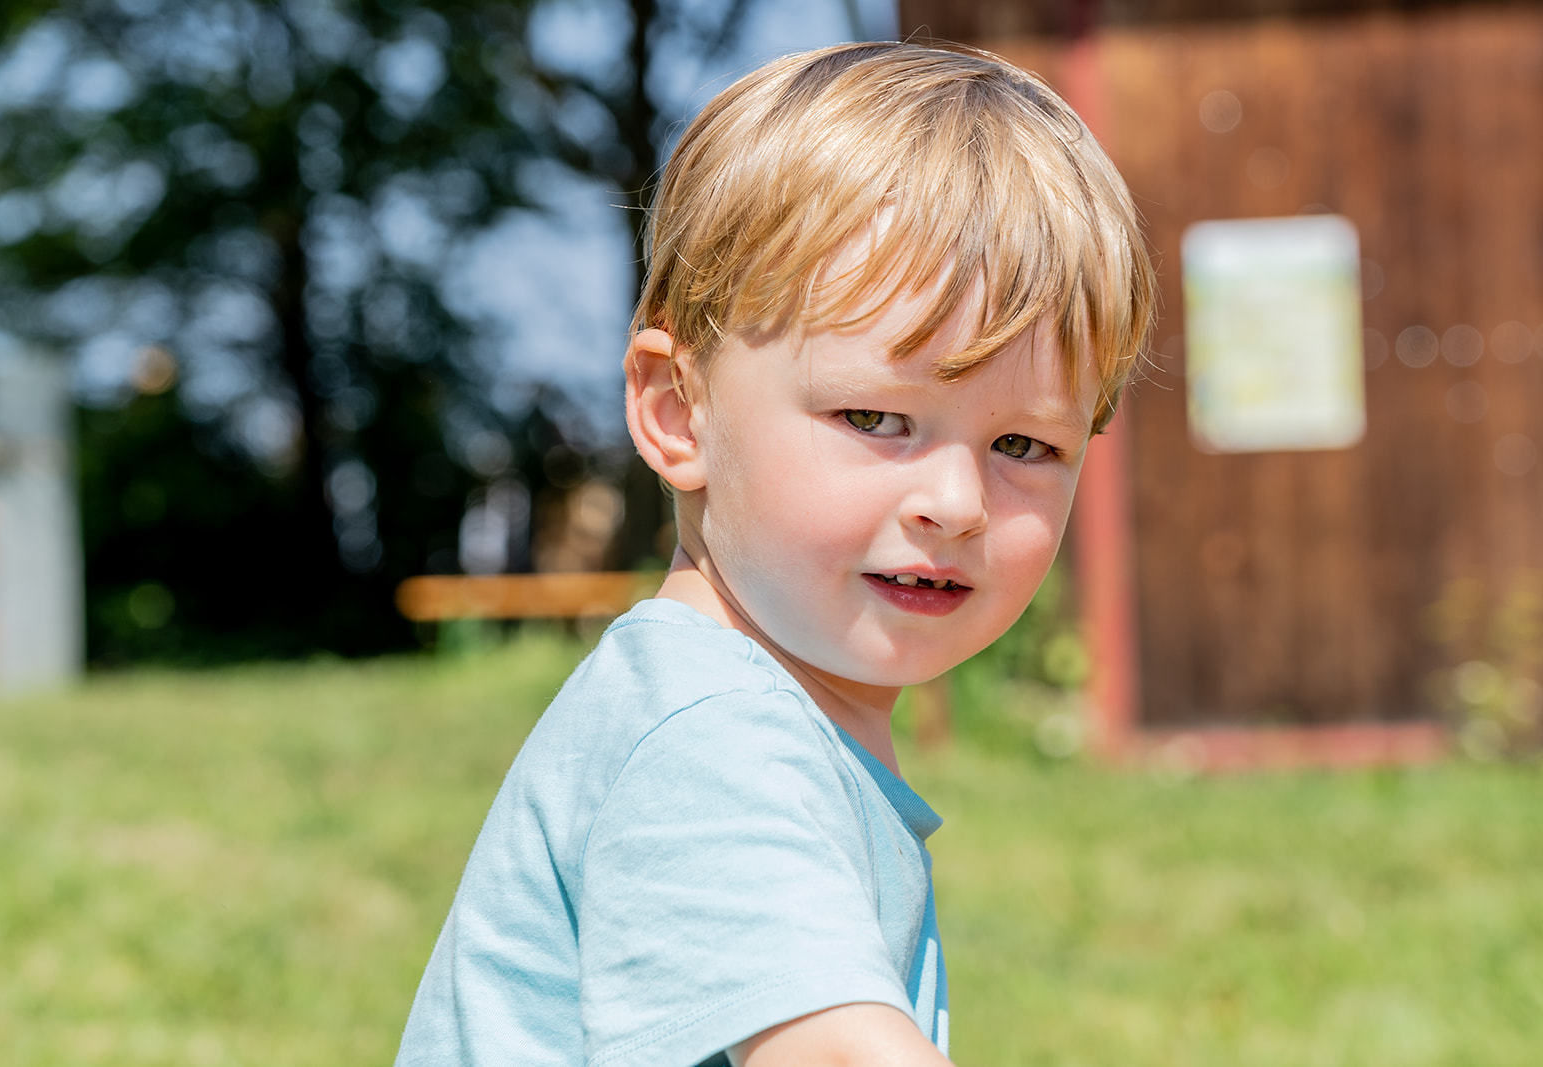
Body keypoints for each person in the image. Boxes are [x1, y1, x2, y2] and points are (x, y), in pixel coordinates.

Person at [395, 40, 1154, 1066]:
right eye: (878, 417)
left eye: (1025, 444)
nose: (957, 501)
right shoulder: (712, 739)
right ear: (678, 412)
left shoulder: (742, 707)